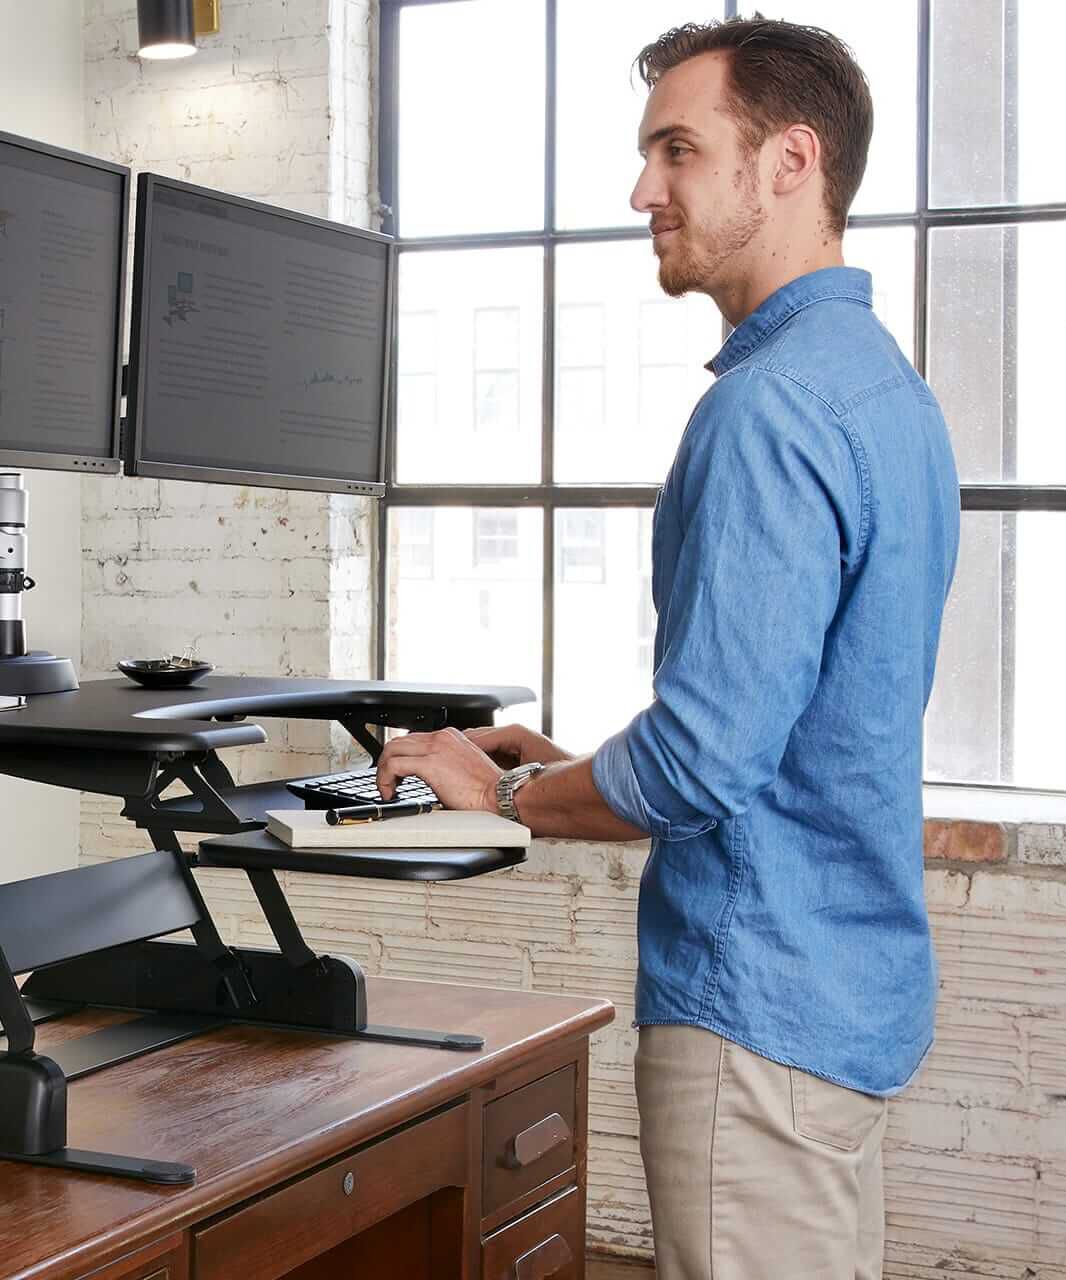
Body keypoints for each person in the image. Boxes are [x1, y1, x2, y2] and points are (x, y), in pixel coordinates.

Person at [374, 17, 959, 1278]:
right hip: (843, 1001)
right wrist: (574, 763)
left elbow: (703, 761)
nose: (644, 189)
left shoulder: (768, 408)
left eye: (677, 150)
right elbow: (799, 728)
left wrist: (511, 793)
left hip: (753, 1015)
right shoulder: (887, 394)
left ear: (790, 162)